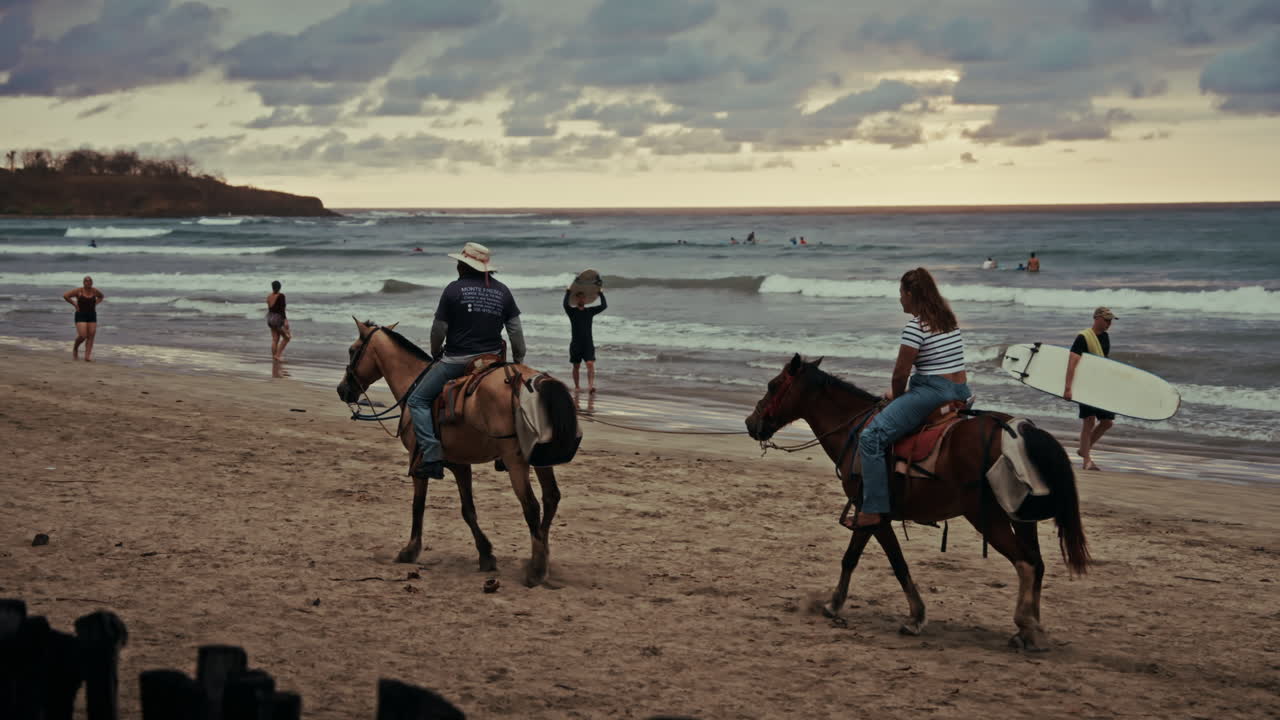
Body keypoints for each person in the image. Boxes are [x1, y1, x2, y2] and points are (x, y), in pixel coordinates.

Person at [846, 268, 971, 528]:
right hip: (959, 389)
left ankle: (873, 509)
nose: (900, 298)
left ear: (911, 293)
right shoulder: (947, 319)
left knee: (871, 438)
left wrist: (898, 399)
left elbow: (900, 374)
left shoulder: (915, 327)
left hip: (933, 391)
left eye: (901, 293)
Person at [406, 242, 525, 480]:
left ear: (463, 266)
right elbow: (515, 332)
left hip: (457, 360)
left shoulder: (453, 290)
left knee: (417, 400)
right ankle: (506, 453)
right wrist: (518, 361)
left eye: (459, 263)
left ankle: (431, 455)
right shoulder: (503, 291)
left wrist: (435, 350)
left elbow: (438, 328)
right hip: (493, 361)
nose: (458, 267)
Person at [1065, 307, 1117, 471]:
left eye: (1110, 321)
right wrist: (1068, 388)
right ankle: (1087, 460)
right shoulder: (1083, 337)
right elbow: (1072, 361)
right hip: (1084, 385)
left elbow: (1103, 362)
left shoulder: (1106, 337)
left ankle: (1083, 449)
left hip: (1100, 385)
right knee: (1089, 421)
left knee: (1107, 422)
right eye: (1107, 320)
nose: (1109, 324)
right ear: (1097, 318)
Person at [564, 286, 607, 392]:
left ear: (585, 300)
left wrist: (601, 294)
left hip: (587, 343)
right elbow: (565, 305)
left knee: (590, 364)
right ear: (576, 300)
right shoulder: (572, 312)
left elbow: (604, 306)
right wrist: (568, 292)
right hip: (576, 344)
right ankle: (577, 386)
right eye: (579, 298)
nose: (581, 300)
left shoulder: (590, 311)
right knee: (576, 366)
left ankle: (590, 386)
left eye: (583, 298)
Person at [62, 275, 104, 361]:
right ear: (83, 282)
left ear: (92, 282)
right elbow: (66, 295)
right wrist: (75, 304)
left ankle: (87, 356)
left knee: (91, 335)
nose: (88, 282)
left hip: (92, 315)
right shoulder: (79, 291)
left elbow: (101, 296)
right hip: (80, 314)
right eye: (86, 281)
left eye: (90, 281)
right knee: (83, 335)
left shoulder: (94, 291)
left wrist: (95, 303)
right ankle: (75, 348)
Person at [266, 280, 291, 361]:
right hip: (278, 320)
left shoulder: (269, 297)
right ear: (280, 287)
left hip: (270, 318)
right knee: (287, 338)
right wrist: (285, 321)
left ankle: (274, 357)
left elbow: (270, 309)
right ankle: (278, 355)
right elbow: (282, 310)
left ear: (272, 287)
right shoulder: (281, 296)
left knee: (275, 339)